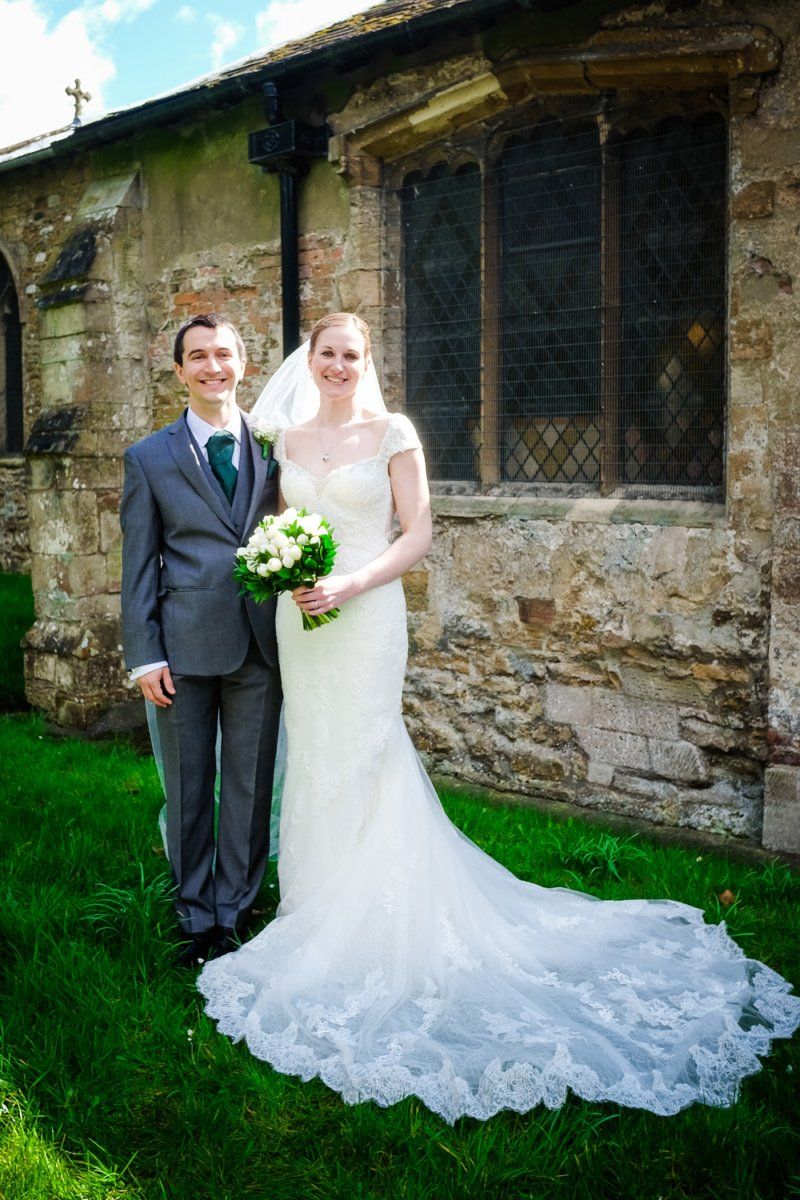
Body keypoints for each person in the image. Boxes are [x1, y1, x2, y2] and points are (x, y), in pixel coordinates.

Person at [198, 312, 800, 1123]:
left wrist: (349, 583)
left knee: (367, 749)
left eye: (352, 354)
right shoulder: (290, 441)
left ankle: (373, 920)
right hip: (300, 621)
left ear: (366, 362)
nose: (337, 365)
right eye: (326, 353)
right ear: (309, 359)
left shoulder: (393, 431)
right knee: (313, 752)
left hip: (366, 614)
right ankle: (315, 907)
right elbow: (280, 520)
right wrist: (281, 562)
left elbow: (418, 534)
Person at [120, 313, 282, 968]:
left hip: (260, 645)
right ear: (179, 370)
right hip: (181, 651)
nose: (213, 367)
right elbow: (136, 565)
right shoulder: (149, 458)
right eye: (199, 357)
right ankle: (194, 915)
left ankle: (235, 910)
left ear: (242, 363)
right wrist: (144, 654)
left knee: (249, 786)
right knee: (189, 785)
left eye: (224, 355)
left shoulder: (274, 448)